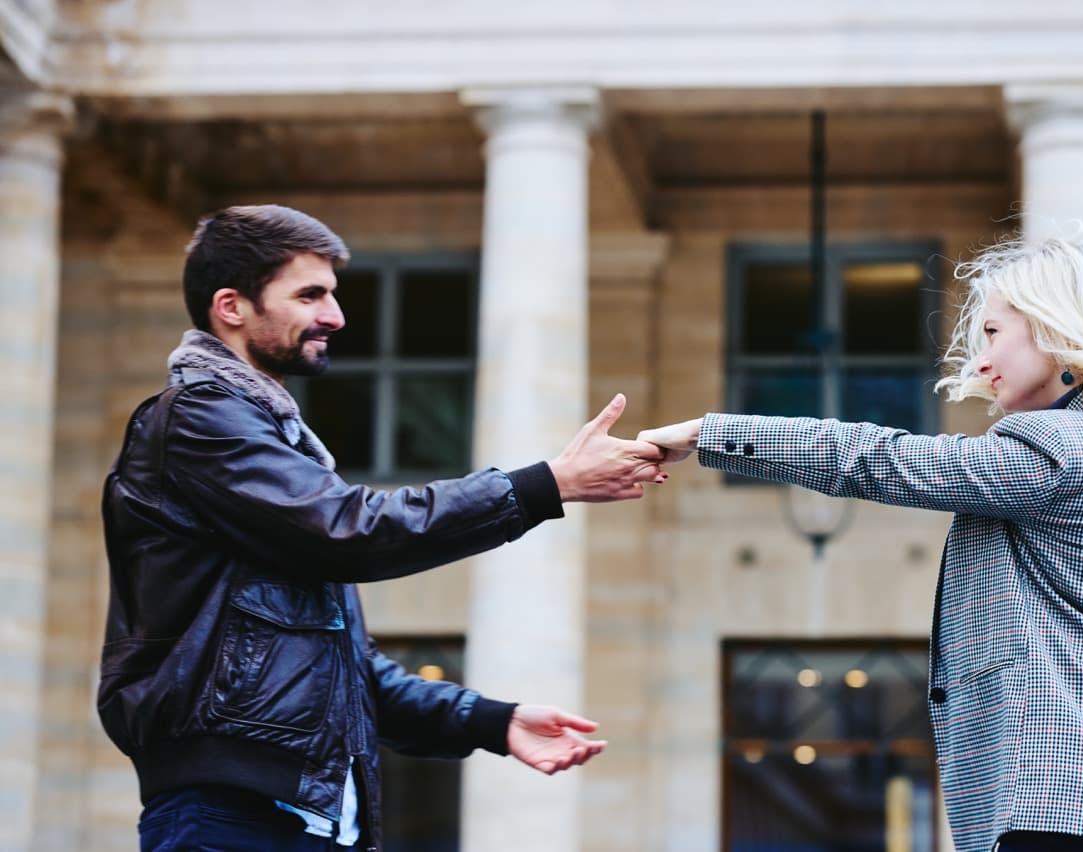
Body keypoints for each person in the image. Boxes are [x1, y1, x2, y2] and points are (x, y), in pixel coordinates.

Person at [639, 238, 1083, 852]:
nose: (979, 361)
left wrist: (709, 432)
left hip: (1060, 801)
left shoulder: (1051, 448)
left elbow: (876, 460)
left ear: (1058, 331)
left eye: (994, 334)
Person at [99, 204, 668, 851]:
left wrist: (491, 722)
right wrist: (547, 484)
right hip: (230, 816)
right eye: (310, 295)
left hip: (303, 819)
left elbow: (343, 669)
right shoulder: (203, 418)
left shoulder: (270, 439)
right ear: (232, 306)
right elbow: (349, 530)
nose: (336, 316)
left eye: (333, 295)